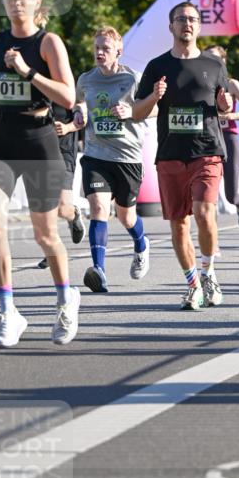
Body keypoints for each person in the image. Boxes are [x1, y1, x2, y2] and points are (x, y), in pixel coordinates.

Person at [0, 0, 80, 348]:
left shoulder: (48, 42)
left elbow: (68, 97)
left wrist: (27, 72)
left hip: (38, 139)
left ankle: (66, 299)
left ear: (36, 3)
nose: (15, 3)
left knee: (45, 235)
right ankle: (8, 312)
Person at [132, 2, 232, 309]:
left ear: (199, 26)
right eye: (181, 19)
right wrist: (154, 96)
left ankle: (208, 274)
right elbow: (137, 113)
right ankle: (193, 285)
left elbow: (225, 106)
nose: (187, 23)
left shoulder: (215, 65)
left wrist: (224, 104)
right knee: (179, 224)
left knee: (204, 213)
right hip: (171, 154)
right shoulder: (157, 66)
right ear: (171, 26)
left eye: (192, 19)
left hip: (207, 151)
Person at [72, 27, 149, 293]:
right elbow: (79, 101)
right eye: (97, 48)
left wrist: (131, 110)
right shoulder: (86, 79)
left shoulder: (133, 79)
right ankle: (99, 271)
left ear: (119, 51)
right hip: (96, 155)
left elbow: (155, 108)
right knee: (98, 208)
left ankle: (141, 244)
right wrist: (80, 112)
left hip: (127, 157)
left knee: (126, 217)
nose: (100, 53)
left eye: (105, 48)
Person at [204, 45, 239, 231]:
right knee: (207, 188)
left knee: (231, 194)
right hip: (206, 138)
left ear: (224, 61)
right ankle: (210, 232)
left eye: (215, 58)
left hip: (229, 138)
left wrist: (230, 116)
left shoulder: (232, 84)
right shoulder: (200, 83)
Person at [36, 101, 86, 268]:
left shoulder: (70, 89)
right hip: (41, 150)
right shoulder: (36, 88)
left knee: (62, 208)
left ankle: (73, 214)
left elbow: (83, 116)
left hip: (64, 149)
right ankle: (51, 250)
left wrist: (68, 127)